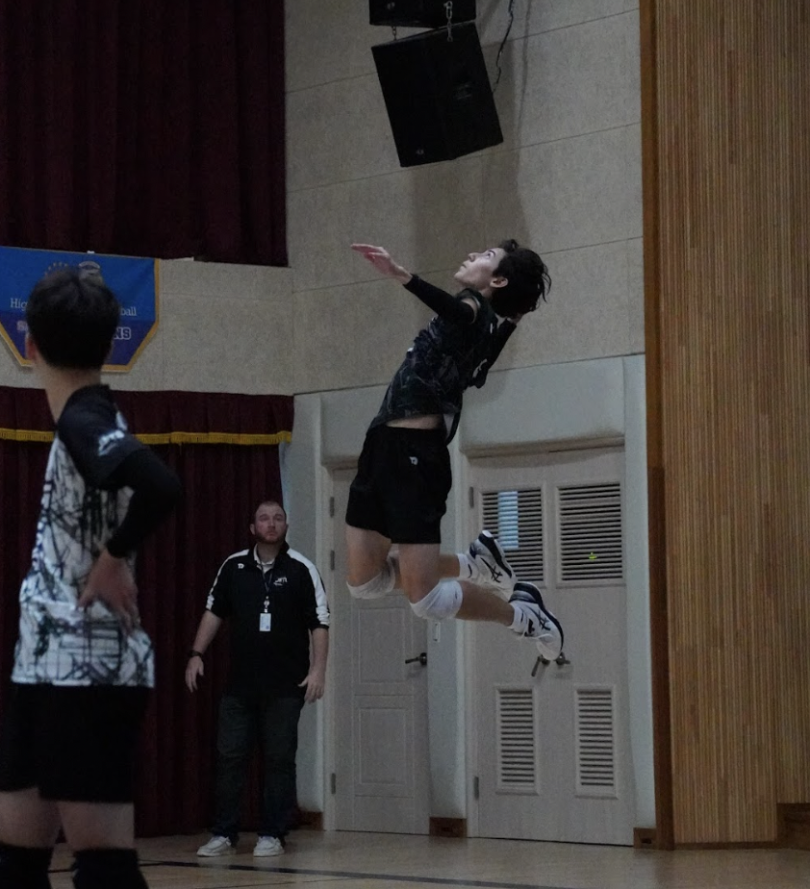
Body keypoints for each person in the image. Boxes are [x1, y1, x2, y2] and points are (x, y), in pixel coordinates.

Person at [0, 268, 183, 889]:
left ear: (28, 344)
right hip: (42, 665)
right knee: (16, 858)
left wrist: (112, 556)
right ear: (111, 347)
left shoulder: (85, 419)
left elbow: (161, 484)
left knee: (102, 866)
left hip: (88, 669)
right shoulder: (84, 416)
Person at [345, 242, 564, 661]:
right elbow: (481, 365)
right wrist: (512, 322)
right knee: (364, 583)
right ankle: (475, 565)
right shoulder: (483, 329)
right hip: (382, 446)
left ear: (496, 281)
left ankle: (524, 617)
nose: (471, 256)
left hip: (416, 458)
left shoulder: (474, 309)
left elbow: (456, 311)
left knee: (424, 600)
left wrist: (401, 274)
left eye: (484, 257)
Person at [187, 500, 329, 860]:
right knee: (229, 756)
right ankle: (223, 832)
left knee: (280, 758)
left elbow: (320, 623)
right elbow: (213, 612)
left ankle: (272, 832)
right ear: (252, 527)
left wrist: (318, 670)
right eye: (264, 519)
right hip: (240, 685)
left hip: (285, 686)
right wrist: (196, 654)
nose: (271, 524)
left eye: (278, 518)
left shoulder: (302, 569)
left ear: (286, 526)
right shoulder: (233, 567)